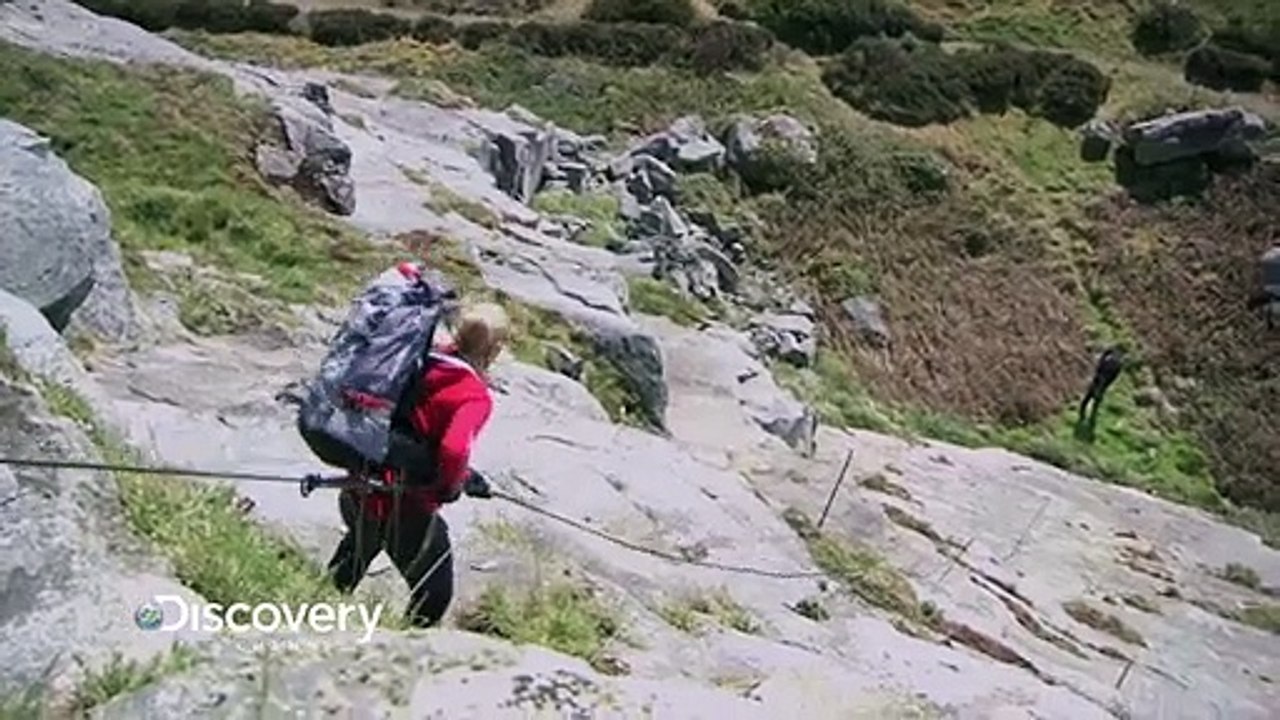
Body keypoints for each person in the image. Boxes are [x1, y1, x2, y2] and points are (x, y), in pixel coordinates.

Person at [326, 301, 509, 628]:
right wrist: (449, 487)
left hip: (359, 484)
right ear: (495, 350)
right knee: (434, 593)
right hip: (404, 506)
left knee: (355, 554)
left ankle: (313, 612)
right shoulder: (471, 395)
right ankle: (403, 652)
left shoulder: (418, 357)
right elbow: (452, 452)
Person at [1077, 345, 1125, 438]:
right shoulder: (1118, 365)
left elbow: (1099, 366)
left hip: (1098, 380)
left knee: (1088, 397)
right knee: (1096, 401)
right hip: (1104, 384)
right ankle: (1091, 418)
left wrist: (1104, 354)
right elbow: (1114, 377)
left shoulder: (1108, 361)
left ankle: (1082, 413)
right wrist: (1107, 384)